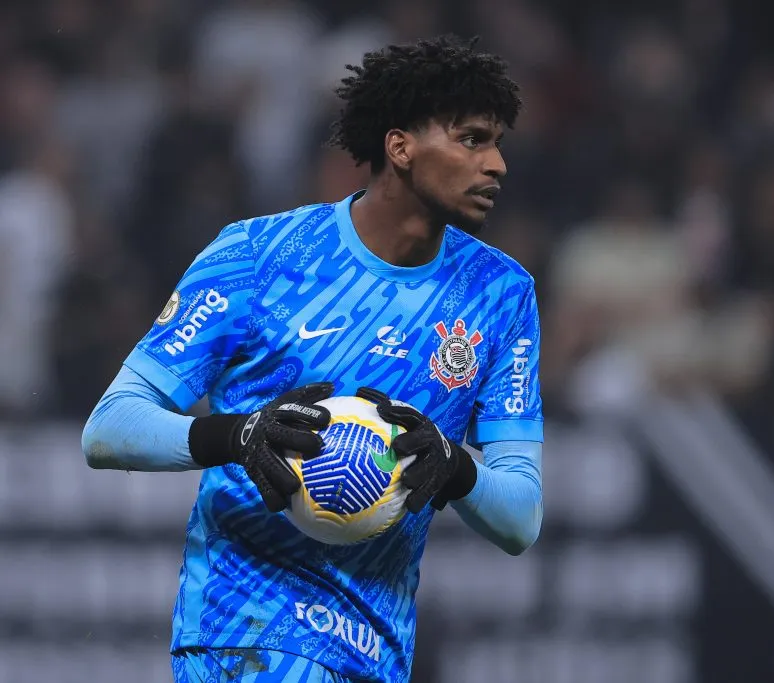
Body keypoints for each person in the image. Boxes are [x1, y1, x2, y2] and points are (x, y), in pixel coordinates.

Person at [81, 35, 543, 683]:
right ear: (400, 147)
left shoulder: (500, 294)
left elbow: (521, 516)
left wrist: (456, 467)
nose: (496, 164)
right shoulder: (258, 256)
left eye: (496, 143)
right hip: (242, 628)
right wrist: (237, 436)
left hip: (374, 647)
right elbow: (109, 427)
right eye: (471, 140)